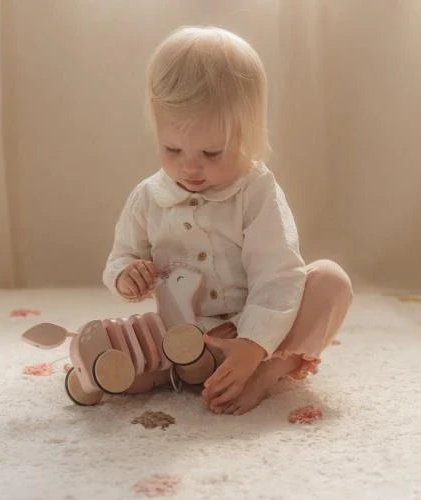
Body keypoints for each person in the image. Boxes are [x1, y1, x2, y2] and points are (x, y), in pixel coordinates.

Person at [102, 26, 353, 416]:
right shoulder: (148, 197)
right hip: (182, 336)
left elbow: (278, 275)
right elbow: (121, 257)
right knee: (123, 345)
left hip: (255, 333)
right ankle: (169, 371)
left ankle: (265, 374)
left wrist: (253, 346)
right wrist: (125, 275)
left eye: (212, 153)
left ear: (247, 136)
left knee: (331, 282)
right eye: (172, 149)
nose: (190, 167)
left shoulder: (256, 191)